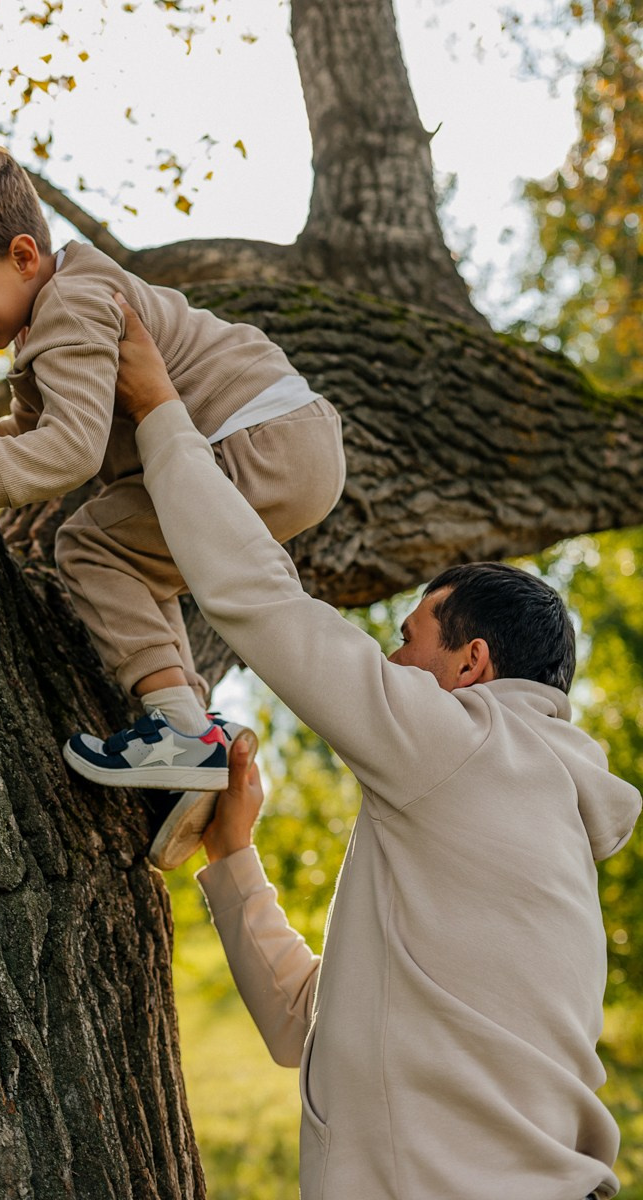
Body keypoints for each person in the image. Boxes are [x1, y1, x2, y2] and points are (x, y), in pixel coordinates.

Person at [110, 294, 641, 1200]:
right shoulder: (518, 819)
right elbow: (305, 1028)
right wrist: (234, 860)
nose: (389, 659)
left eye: (406, 638)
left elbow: (259, 598)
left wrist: (160, 408)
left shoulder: (465, 746)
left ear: (470, 665)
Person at [0, 133, 345, 868]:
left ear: (22, 257)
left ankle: (180, 730)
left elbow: (70, 451)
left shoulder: (72, 303)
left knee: (91, 545)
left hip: (262, 439)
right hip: (279, 445)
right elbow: (40, 429)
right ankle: (192, 746)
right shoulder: (60, 309)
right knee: (134, 560)